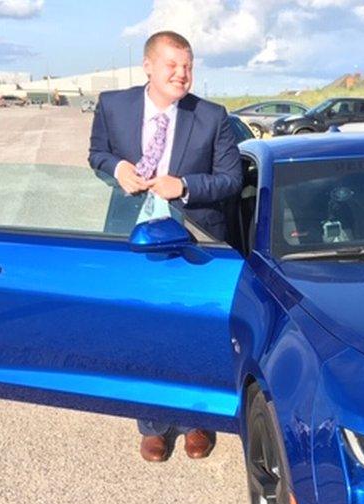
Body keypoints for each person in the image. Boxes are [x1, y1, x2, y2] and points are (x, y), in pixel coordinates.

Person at [88, 30, 242, 462]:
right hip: (133, 236)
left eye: (188, 66)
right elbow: (96, 153)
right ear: (149, 67)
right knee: (140, 329)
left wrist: (185, 186)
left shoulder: (212, 116)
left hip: (194, 241)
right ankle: (153, 423)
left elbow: (232, 180)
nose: (182, 74)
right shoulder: (112, 105)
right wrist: (116, 167)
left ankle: (198, 420)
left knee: (194, 329)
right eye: (173, 65)